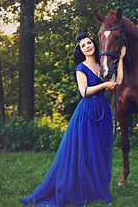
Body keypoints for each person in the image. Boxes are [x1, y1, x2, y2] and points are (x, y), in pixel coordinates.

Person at [19, 32, 126, 206]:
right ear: (81, 50)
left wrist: (120, 59)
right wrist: (104, 85)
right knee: (87, 153)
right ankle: (82, 190)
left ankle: (98, 191)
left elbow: (117, 81)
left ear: (93, 43)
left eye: (89, 43)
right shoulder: (80, 68)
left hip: (103, 111)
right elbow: (84, 91)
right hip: (88, 111)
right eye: (83, 45)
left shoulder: (101, 63)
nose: (87, 46)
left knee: (100, 152)